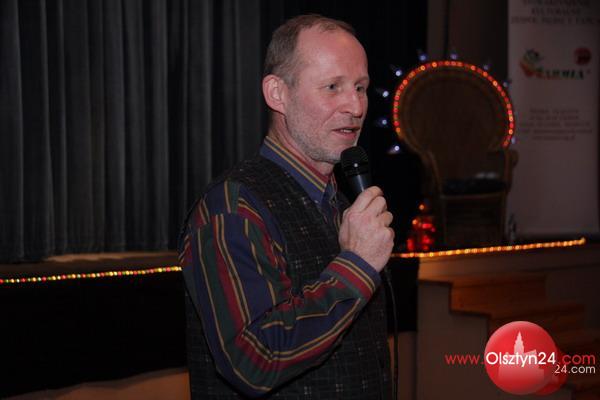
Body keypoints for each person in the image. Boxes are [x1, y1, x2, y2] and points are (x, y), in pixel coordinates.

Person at [179, 14, 395, 399]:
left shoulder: (343, 205)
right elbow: (254, 359)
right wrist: (357, 265)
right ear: (277, 93)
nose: (355, 105)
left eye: (361, 87)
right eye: (333, 86)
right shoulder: (233, 207)